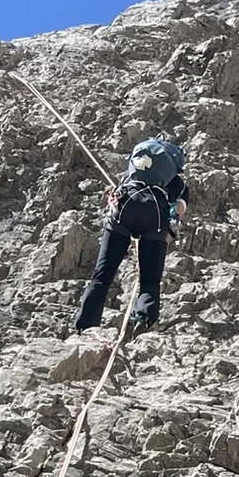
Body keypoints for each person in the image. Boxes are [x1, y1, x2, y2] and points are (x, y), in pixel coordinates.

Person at [74, 135, 188, 336]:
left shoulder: (131, 174)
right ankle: (144, 319)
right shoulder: (178, 183)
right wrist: (164, 237)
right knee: (150, 279)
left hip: (123, 215)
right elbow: (176, 214)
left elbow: (115, 201)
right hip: (155, 220)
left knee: (102, 274)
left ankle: (86, 324)